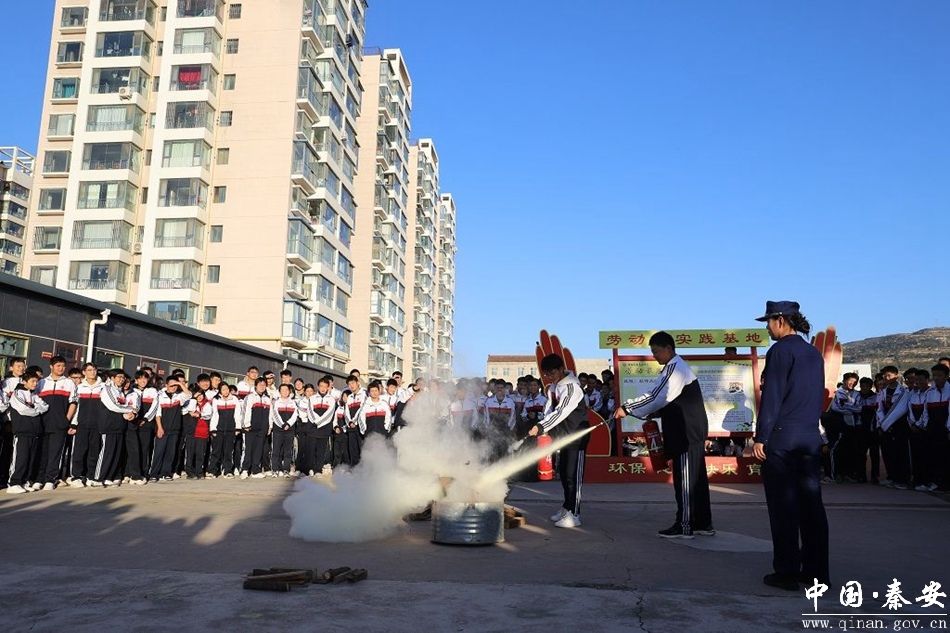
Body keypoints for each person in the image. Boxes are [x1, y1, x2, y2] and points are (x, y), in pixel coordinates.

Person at [752, 300, 829, 590]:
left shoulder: (780, 351)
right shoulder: (812, 352)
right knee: (812, 507)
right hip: (809, 436)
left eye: (769, 322)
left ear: (781, 320)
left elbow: (772, 398)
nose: (768, 328)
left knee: (784, 507)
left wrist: (761, 437)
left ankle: (786, 572)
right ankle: (817, 574)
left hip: (783, 438)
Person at [615, 332, 713, 539]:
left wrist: (627, 408)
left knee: (685, 481)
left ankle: (685, 525)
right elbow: (669, 401)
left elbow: (657, 396)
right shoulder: (676, 368)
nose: (654, 356)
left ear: (668, 348)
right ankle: (703, 523)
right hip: (690, 432)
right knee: (696, 480)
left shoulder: (675, 369)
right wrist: (655, 412)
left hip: (685, 434)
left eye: (656, 351)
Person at [528, 354, 589, 529]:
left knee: (573, 477)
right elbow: (549, 409)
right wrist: (543, 427)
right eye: (547, 374)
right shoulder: (553, 387)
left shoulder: (571, 387)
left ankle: (575, 514)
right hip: (562, 437)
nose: (550, 377)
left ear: (561, 369)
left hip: (576, 436)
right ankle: (567, 507)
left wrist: (541, 427)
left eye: (552, 373)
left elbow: (562, 411)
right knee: (563, 474)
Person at [36, 356, 78, 490]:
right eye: (58, 366)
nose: (61, 368)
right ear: (51, 366)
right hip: (43, 423)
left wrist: (67, 420)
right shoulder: (41, 382)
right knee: (42, 452)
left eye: (63, 366)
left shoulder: (69, 383)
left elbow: (73, 403)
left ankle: (50, 479)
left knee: (56, 452)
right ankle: (39, 478)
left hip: (60, 423)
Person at [6, 366, 48, 494]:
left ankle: (24, 481)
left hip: (34, 431)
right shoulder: (17, 393)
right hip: (22, 431)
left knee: (30, 458)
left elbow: (44, 406)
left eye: (37, 381)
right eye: (33, 381)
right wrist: (36, 410)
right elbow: (23, 409)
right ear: (24, 381)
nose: (35, 384)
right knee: (21, 458)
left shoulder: (34, 394)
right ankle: (14, 483)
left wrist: (34, 408)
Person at [68, 363, 103, 487]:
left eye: (94, 369)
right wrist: (74, 424)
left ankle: (91, 476)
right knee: (79, 451)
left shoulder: (103, 387)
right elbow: (75, 407)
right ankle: (76, 476)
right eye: (89, 370)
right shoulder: (79, 387)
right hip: (82, 424)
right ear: (84, 372)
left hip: (97, 425)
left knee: (94, 451)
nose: (92, 372)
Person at [876, 365, 911, 489]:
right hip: (885, 426)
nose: (886, 378)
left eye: (889, 375)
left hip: (899, 425)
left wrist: (889, 422)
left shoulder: (904, 391)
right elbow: (879, 409)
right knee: (888, 452)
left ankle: (902, 479)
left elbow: (903, 410)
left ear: (896, 376)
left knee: (900, 453)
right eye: (884, 375)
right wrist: (882, 424)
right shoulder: (883, 392)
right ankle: (891, 476)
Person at [924, 364, 949, 491]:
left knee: (946, 457)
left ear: (947, 376)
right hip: (933, 430)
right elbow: (925, 411)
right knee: (935, 456)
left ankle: (946, 484)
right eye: (934, 375)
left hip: (946, 430)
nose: (936, 378)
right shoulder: (929, 392)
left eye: (939, 375)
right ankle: (937, 482)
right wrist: (926, 425)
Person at [240, 377, 272, 479]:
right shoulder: (250, 397)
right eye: (260, 385)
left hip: (263, 428)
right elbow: (245, 411)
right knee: (249, 449)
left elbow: (270, 414)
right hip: (251, 427)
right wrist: (246, 424)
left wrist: (270, 426)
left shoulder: (267, 399)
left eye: (264, 385)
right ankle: (245, 469)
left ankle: (255, 470)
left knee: (258, 450)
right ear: (255, 386)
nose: (262, 387)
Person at [209, 384, 241, 478]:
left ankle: (228, 471)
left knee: (228, 451)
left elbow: (237, 414)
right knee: (216, 451)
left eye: (227, 389)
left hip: (231, 429)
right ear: (220, 391)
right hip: (219, 429)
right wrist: (213, 428)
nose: (226, 391)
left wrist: (237, 427)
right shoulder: (216, 400)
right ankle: (213, 471)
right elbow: (214, 415)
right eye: (223, 389)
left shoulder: (234, 399)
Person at [269, 383, 298, 477]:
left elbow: (295, 415)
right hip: (278, 429)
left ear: (289, 391)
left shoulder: (293, 402)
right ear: (279, 392)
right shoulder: (276, 402)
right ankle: (275, 469)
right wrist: (282, 424)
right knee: (276, 450)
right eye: (282, 390)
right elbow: (275, 414)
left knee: (288, 450)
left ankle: (286, 469)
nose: (284, 392)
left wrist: (288, 424)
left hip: (290, 429)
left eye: (286, 390)